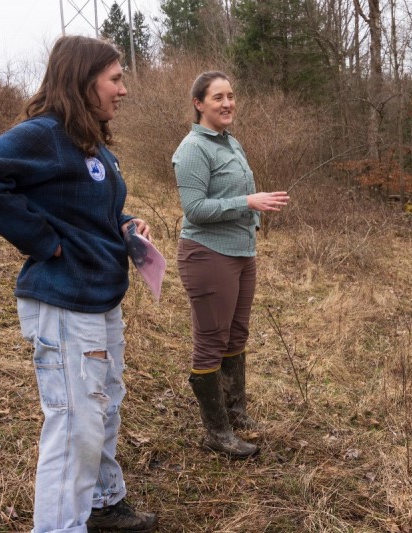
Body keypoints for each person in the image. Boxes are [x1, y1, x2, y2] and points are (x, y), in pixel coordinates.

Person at [0, 35, 158, 533]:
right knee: (74, 425)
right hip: (65, 304)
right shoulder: (45, 134)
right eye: (115, 79)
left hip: (100, 298)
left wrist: (123, 225)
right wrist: (43, 240)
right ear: (84, 82)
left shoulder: (90, 140)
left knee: (103, 408)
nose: (123, 90)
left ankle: (103, 503)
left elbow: (82, 205)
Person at [172, 71, 290, 459]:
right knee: (211, 342)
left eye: (231, 96)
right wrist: (247, 203)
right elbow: (194, 209)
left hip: (241, 255)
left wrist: (251, 213)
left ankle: (236, 415)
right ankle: (217, 432)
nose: (227, 104)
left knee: (236, 337)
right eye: (218, 97)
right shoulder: (193, 149)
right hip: (207, 255)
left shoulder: (230, 143)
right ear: (199, 104)